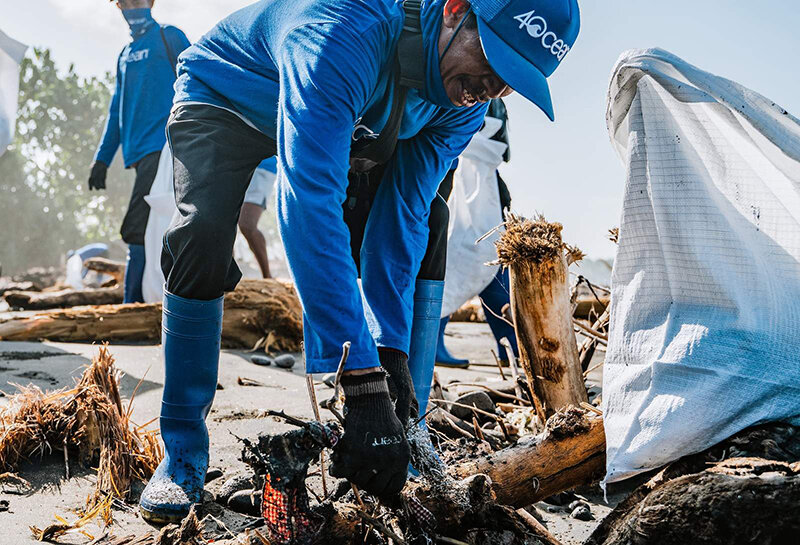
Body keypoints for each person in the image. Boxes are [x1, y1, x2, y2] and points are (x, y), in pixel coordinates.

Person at [139, 0, 580, 523]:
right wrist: (361, 381)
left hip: (351, 116)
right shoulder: (341, 32)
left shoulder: (463, 104)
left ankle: (408, 427)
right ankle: (182, 449)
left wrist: (387, 360)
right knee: (202, 235)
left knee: (432, 218)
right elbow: (307, 204)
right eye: (492, 60)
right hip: (230, 96)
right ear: (455, 10)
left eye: (513, 81)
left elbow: (402, 219)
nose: (491, 87)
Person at [85, 0, 189, 303]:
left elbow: (197, 77)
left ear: (152, 1)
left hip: (167, 148)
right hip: (141, 156)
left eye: (138, 0)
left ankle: (134, 305)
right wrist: (102, 158)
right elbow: (116, 109)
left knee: (136, 227)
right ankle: (149, 302)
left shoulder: (169, 37)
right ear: (117, 6)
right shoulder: (125, 54)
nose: (133, 6)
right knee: (150, 227)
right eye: (126, 1)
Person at [436, 98, 519, 368]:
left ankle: (512, 348)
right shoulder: (469, 153)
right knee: (459, 278)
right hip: (468, 235)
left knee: (496, 284)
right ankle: (431, 343)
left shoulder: (482, 160)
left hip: (485, 232)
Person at [238, 158, 278, 278]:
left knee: (247, 224)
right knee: (224, 222)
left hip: (261, 167)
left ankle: (268, 277)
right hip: (235, 164)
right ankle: (225, 278)